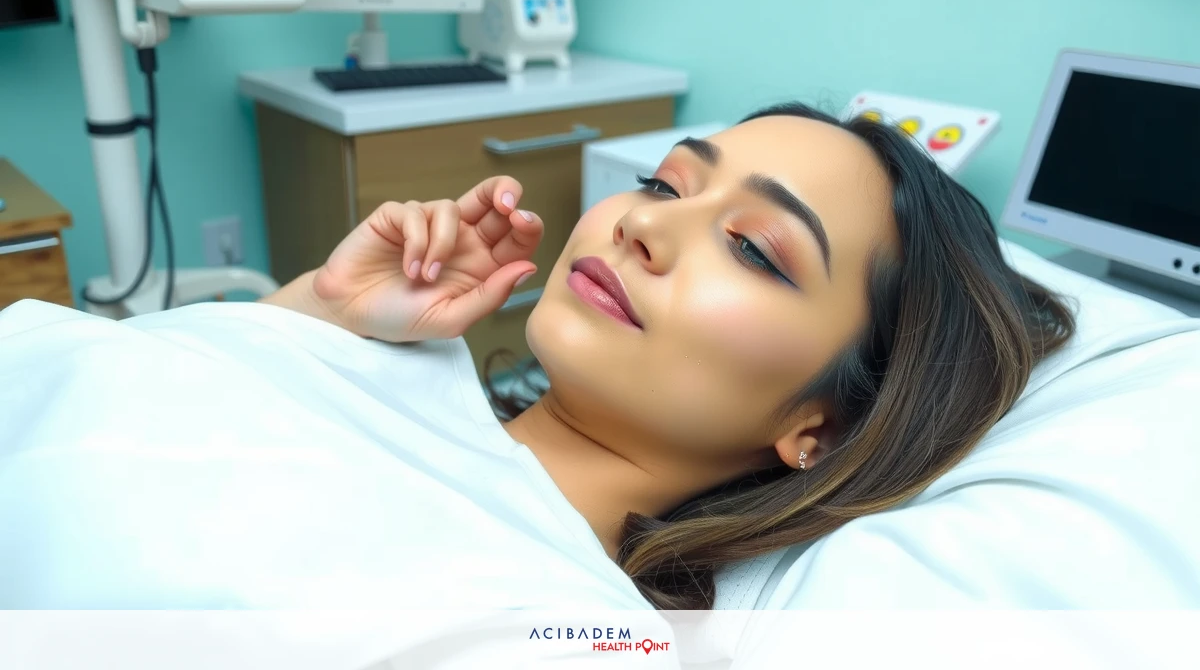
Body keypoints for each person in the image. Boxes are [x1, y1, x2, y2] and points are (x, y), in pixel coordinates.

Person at [0, 103, 1074, 614]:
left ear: (822, 426)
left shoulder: (561, 618)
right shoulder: (393, 371)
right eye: (663, 183)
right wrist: (317, 315)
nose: (640, 226)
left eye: (753, 245)